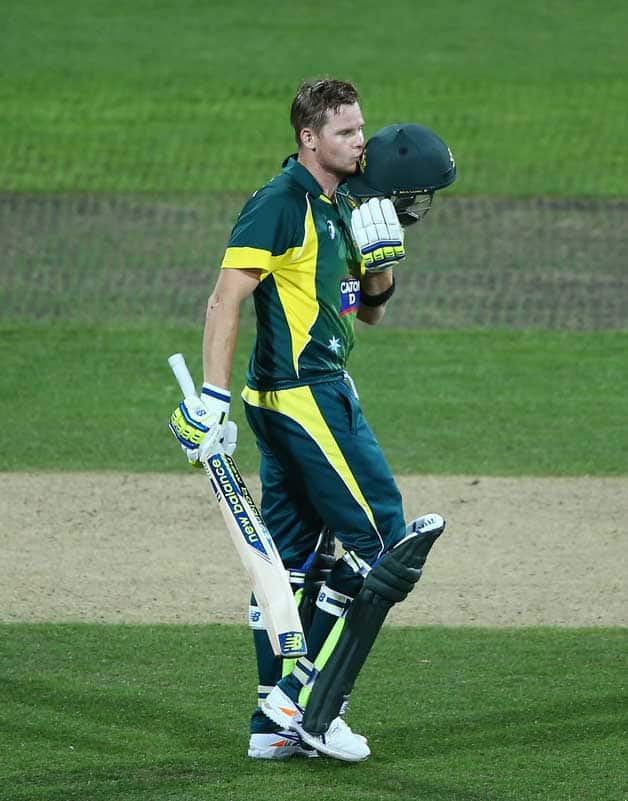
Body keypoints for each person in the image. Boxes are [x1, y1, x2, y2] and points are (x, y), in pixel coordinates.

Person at [169, 78, 456, 762]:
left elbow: (367, 312)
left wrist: (383, 268)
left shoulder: (339, 204)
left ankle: (271, 722)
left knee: (295, 563)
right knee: (386, 543)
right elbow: (224, 300)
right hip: (305, 394)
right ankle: (312, 705)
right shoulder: (279, 204)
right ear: (309, 137)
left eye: (361, 130)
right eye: (347, 134)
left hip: (297, 395)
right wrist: (210, 396)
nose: (362, 144)